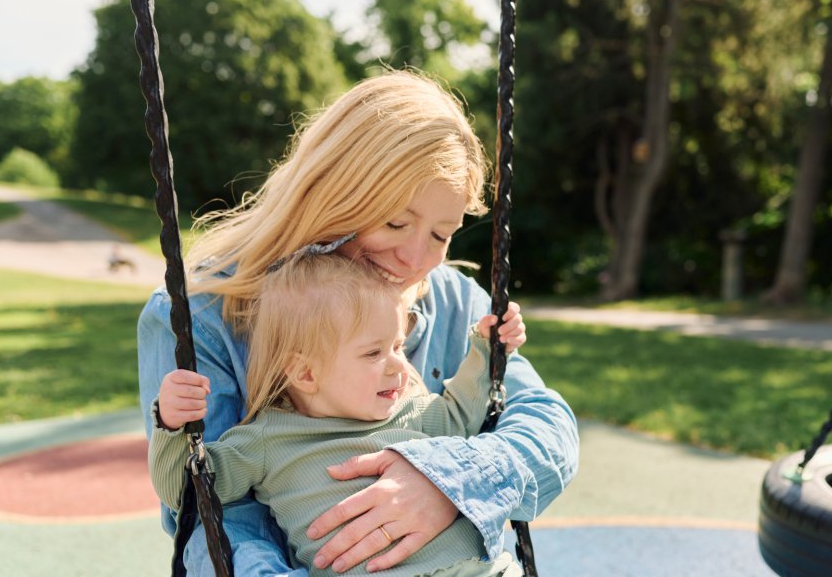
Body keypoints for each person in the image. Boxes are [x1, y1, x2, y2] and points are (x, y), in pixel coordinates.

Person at [137, 70, 579, 575]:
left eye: (441, 234)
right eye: (395, 222)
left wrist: (450, 482)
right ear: (335, 193)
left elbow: (548, 426)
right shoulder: (201, 317)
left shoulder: (454, 301)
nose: (415, 258)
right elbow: (213, 518)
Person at [150, 252, 527, 576]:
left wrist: (486, 351)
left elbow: (463, 413)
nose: (399, 365)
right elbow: (189, 490)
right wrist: (172, 424)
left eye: (398, 345)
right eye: (373, 353)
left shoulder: (412, 411)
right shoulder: (267, 440)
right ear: (306, 373)